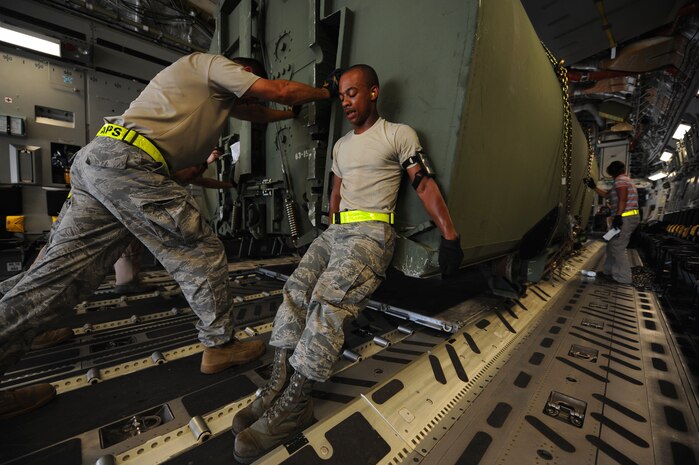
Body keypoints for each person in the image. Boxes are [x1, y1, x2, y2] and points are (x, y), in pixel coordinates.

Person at [0, 53, 334, 420]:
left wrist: (288, 117)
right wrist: (324, 93)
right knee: (201, 252)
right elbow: (281, 91)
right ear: (245, 72)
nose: (252, 100)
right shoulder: (213, 65)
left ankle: (37, 324)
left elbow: (257, 112)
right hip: (129, 162)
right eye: (250, 91)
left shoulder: (213, 94)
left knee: (63, 272)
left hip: (99, 160)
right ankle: (219, 345)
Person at [232, 64, 464, 463]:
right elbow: (336, 196)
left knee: (328, 301)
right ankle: (279, 383)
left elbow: (423, 184)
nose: (346, 102)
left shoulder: (398, 134)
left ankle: (295, 405)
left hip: (372, 234)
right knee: (295, 290)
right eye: (342, 96)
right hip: (336, 233)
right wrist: (327, 232)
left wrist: (450, 236)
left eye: (353, 93)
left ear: (373, 93)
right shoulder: (340, 145)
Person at [584, 160, 640, 284]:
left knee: (617, 247)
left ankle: (623, 278)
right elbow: (607, 196)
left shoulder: (621, 181)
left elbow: (623, 199)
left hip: (625, 218)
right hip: (625, 217)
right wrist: (594, 187)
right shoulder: (622, 180)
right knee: (610, 243)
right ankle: (608, 272)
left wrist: (618, 217)